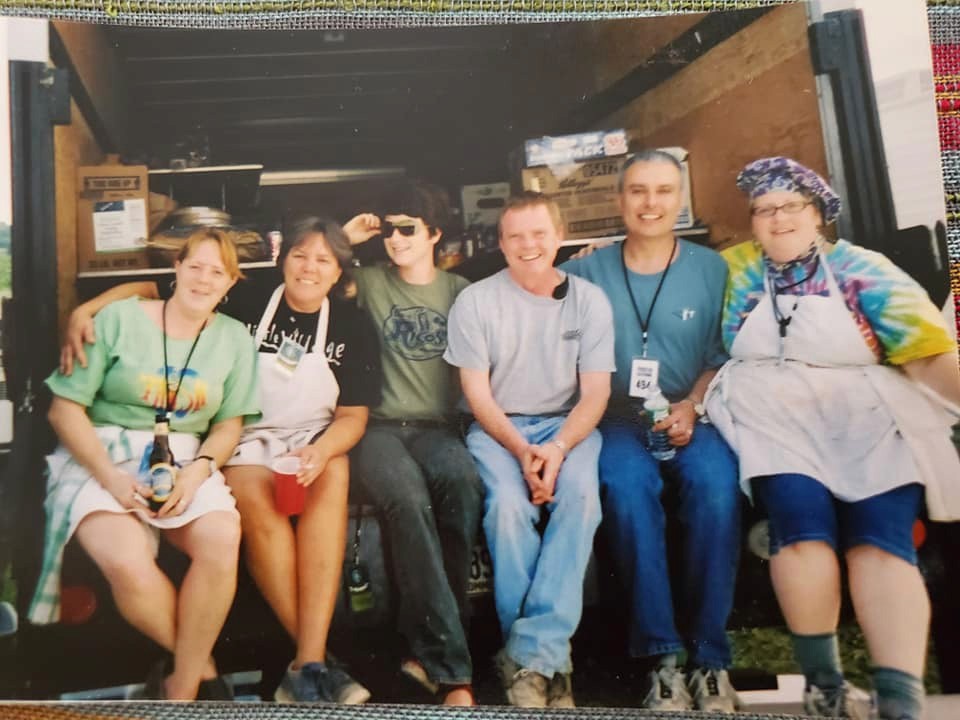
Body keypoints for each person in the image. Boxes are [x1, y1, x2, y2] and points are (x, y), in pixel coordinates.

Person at [60, 217, 383, 704]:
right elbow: (155, 286)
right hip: (243, 434)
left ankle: (310, 661)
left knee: (332, 482)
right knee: (258, 506)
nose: (309, 268)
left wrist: (321, 450)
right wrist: (87, 308)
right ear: (282, 260)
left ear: (339, 273)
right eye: (299, 255)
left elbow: (354, 415)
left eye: (323, 260)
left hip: (313, 438)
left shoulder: (353, 324)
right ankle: (315, 662)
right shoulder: (246, 297)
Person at [705, 156, 960, 720]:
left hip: (864, 412)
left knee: (882, 539)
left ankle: (900, 700)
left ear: (818, 213)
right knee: (801, 531)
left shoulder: (864, 270)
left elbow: (927, 356)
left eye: (790, 206)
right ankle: (825, 687)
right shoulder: (731, 270)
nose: (777, 219)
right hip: (772, 415)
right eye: (762, 210)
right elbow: (698, 341)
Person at [32, 228, 260, 700]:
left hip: (185, 458)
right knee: (126, 558)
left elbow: (227, 425)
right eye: (194, 266)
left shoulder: (234, 339)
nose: (203, 279)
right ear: (175, 269)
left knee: (222, 537)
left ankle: (178, 691)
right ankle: (205, 675)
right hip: (101, 453)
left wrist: (198, 471)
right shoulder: (117, 318)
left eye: (216, 272)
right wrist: (110, 478)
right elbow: (63, 409)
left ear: (230, 283)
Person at [562, 149, 741, 712]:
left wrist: (691, 404)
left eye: (663, 191)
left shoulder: (711, 269)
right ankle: (662, 659)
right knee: (625, 489)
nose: (650, 203)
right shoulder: (585, 270)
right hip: (614, 417)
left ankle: (710, 660)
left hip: (691, 412)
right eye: (638, 190)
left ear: (680, 199)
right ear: (619, 200)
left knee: (717, 490)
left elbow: (721, 357)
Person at [444, 192, 614, 708]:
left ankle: (528, 657)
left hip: (569, 427)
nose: (528, 245)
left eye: (539, 233)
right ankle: (545, 662)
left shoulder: (589, 301)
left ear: (560, 237)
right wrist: (522, 451)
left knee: (581, 499)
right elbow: (477, 395)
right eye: (515, 235)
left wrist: (558, 449)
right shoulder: (475, 301)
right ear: (500, 244)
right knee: (508, 510)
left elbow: (597, 393)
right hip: (501, 430)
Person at [342, 182, 482, 706]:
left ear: (434, 234)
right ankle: (454, 672)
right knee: (406, 499)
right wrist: (348, 239)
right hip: (378, 429)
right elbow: (314, 274)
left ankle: (423, 652)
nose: (396, 239)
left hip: (438, 428)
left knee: (464, 485)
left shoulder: (460, 291)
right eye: (391, 229)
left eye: (408, 229)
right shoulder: (370, 281)